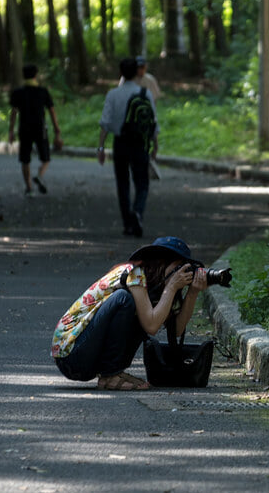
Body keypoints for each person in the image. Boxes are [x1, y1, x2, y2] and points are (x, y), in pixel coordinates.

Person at [51, 236, 207, 391]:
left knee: (140, 311)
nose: (182, 273)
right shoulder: (135, 273)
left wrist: (193, 293)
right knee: (124, 299)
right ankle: (110, 374)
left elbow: (176, 330)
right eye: (179, 267)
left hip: (87, 359)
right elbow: (151, 326)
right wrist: (171, 287)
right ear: (162, 262)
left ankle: (113, 373)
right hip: (72, 354)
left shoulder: (157, 287)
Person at [99, 57, 159, 237]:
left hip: (121, 143)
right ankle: (138, 211)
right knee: (142, 182)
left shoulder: (113, 94)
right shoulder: (145, 93)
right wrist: (155, 144)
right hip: (140, 143)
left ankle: (127, 223)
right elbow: (152, 121)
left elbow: (105, 123)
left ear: (120, 73)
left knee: (122, 183)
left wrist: (101, 147)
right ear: (137, 73)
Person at [9, 64, 62, 196]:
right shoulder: (43, 91)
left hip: (24, 128)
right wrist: (57, 130)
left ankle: (29, 188)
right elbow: (52, 111)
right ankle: (39, 175)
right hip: (40, 128)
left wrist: (11, 131)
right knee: (46, 158)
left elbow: (14, 112)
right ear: (36, 75)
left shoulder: (17, 92)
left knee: (25, 159)